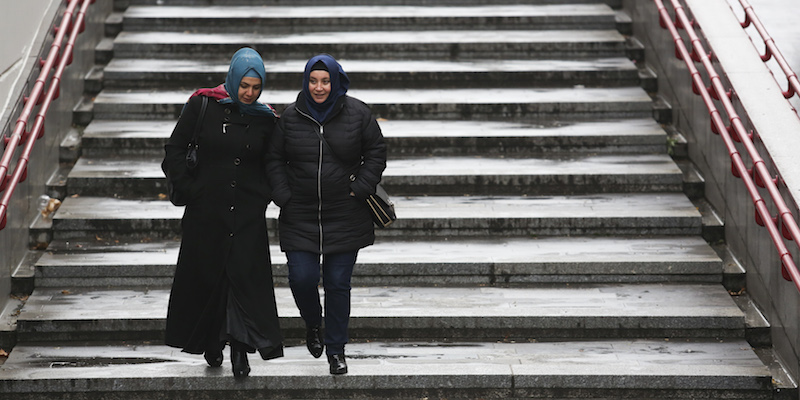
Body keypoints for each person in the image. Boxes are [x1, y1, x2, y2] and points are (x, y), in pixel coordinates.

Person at [161, 47, 283, 378]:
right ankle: (212, 341)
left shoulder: (266, 119)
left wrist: (265, 196)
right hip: (207, 213)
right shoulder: (202, 105)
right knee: (209, 278)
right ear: (232, 79)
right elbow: (174, 149)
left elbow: (274, 162)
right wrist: (189, 189)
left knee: (240, 281)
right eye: (244, 85)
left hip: (246, 215)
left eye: (255, 87)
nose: (249, 93)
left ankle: (240, 350)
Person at [267, 54, 387, 375]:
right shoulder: (290, 117)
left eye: (325, 81)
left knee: (337, 284)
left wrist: (360, 188)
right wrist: (283, 195)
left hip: (345, 214)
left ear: (335, 82)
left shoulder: (358, 114)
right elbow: (274, 159)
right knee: (301, 278)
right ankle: (313, 323)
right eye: (313, 80)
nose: (319, 87)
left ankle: (336, 349)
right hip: (300, 214)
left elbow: (376, 152)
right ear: (306, 82)